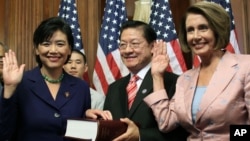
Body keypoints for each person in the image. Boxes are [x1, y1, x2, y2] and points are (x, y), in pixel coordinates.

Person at [144, 1, 250, 141]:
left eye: (203, 28)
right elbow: (166, 123)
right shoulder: (185, 78)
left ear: (217, 29)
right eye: (190, 30)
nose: (195, 36)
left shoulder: (245, 66)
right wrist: (157, 76)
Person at [86, 20, 188, 141]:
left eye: (135, 44)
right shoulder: (114, 87)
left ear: (152, 46)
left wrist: (140, 135)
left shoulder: (174, 82)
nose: (128, 50)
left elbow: (181, 133)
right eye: (123, 45)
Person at [0, 17, 91, 141]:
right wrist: (9, 89)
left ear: (69, 49)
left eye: (60, 44)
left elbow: (83, 135)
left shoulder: (81, 87)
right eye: (46, 44)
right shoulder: (20, 83)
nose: (53, 50)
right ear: (37, 49)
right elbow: (4, 134)